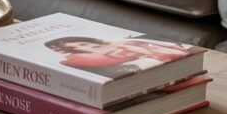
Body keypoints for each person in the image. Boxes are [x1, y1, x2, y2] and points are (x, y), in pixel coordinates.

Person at [44, 35, 192, 78]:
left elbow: (177, 49)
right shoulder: (90, 59)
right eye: (74, 49)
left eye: (82, 44)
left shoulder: (124, 42)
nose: (83, 48)